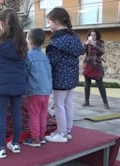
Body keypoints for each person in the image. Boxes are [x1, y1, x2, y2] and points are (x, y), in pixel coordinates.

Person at [0, 8, 27, 158]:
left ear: (2, 23)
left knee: (1, 116)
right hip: (18, 83)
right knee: (17, 113)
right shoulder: (22, 42)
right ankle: (15, 144)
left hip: (2, 83)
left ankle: (0, 148)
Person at [44, 7, 83, 143]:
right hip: (71, 78)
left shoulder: (56, 42)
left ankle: (61, 133)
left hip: (60, 78)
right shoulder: (74, 37)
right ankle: (67, 131)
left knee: (58, 105)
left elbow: (50, 63)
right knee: (68, 104)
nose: (48, 25)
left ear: (55, 22)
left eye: (49, 22)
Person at [22, 28, 52, 147]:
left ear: (29, 40)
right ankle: (41, 136)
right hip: (46, 91)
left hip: (35, 91)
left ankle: (35, 139)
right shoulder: (45, 57)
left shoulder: (28, 56)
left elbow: (24, 72)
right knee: (43, 114)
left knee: (34, 114)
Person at [81, 29, 109, 109]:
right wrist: (86, 44)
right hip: (88, 65)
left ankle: (105, 102)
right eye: (91, 35)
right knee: (87, 84)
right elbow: (81, 52)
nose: (93, 36)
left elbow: (102, 52)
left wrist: (94, 45)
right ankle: (86, 101)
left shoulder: (100, 42)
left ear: (97, 36)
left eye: (94, 35)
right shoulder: (87, 43)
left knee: (100, 85)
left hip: (97, 65)